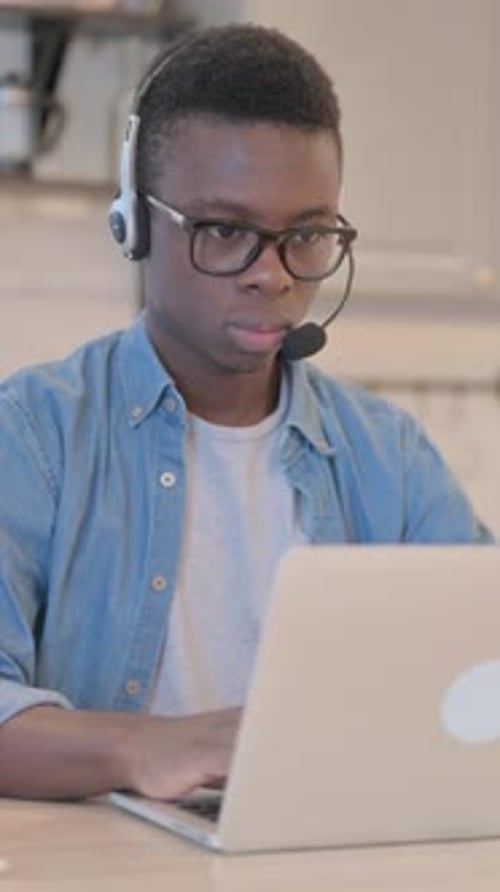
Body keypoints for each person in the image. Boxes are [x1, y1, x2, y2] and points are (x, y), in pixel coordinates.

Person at [0, 24, 493, 802]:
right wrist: (147, 748)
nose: (272, 275)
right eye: (226, 231)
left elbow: (480, 667)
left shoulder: (388, 457)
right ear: (133, 223)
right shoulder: (31, 435)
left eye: (306, 234)